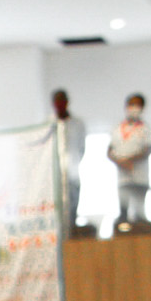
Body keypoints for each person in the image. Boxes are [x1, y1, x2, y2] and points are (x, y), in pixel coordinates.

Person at [107, 93, 151, 228]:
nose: (134, 108)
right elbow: (109, 151)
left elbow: (147, 149)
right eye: (132, 104)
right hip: (123, 178)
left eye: (137, 105)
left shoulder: (145, 128)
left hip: (139, 177)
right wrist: (120, 162)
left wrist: (129, 160)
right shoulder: (117, 128)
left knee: (139, 216)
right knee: (123, 215)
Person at [50, 88, 85, 227]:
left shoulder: (78, 124)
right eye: (57, 101)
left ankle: (73, 228)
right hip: (55, 174)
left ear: (67, 102)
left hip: (73, 172)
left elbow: (81, 148)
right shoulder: (49, 123)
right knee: (57, 208)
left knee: (73, 204)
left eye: (62, 100)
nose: (60, 104)